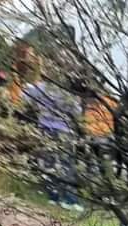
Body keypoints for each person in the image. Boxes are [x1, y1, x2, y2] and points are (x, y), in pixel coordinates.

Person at [22, 79, 83, 211]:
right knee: (67, 165)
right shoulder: (67, 90)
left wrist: (38, 102)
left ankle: (53, 197)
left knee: (48, 164)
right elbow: (77, 112)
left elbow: (25, 97)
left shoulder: (40, 87)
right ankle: (70, 200)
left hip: (45, 129)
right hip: (64, 131)